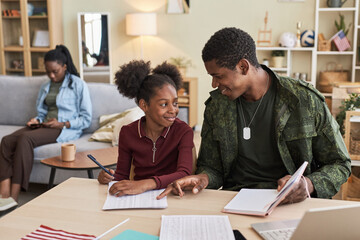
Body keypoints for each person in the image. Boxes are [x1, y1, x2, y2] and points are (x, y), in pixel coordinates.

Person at [157, 27, 351, 203]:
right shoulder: (217, 106)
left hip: (291, 202)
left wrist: (307, 184)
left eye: (219, 76)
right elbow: (212, 167)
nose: (214, 84)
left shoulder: (303, 100)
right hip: (234, 200)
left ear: (243, 66)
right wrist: (203, 178)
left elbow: (340, 163)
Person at [0, 45, 92, 212]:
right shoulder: (45, 86)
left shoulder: (78, 85)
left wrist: (62, 123)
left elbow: (86, 119)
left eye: (55, 71)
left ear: (64, 67)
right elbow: (42, 112)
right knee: (6, 141)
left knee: (25, 139)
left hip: (64, 128)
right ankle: (3, 195)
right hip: (45, 125)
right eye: (48, 71)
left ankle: (14, 198)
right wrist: (37, 119)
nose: (51, 75)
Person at [97, 60, 194, 197]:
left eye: (175, 103)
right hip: (138, 197)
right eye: (164, 104)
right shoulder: (127, 132)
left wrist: (146, 184)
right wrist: (107, 177)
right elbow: (122, 175)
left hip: (172, 195)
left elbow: (184, 173)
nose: (173, 110)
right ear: (144, 105)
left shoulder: (183, 131)